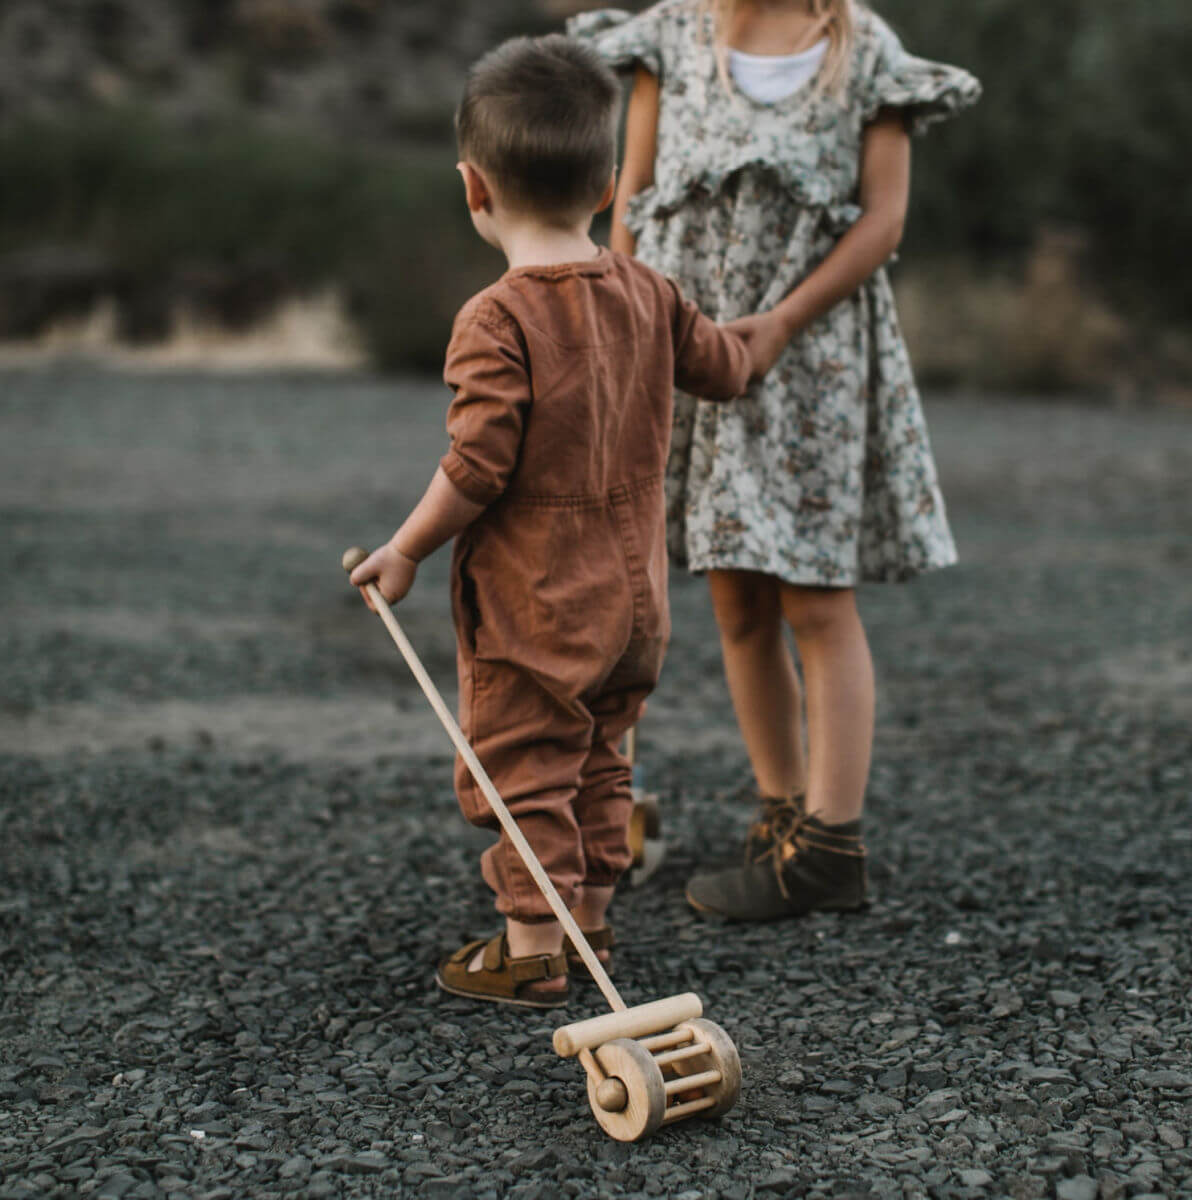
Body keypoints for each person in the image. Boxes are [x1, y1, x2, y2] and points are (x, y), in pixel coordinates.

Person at [350, 33, 754, 1006]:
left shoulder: (496, 318)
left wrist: (404, 550)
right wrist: (770, 324)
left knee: (524, 763)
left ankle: (535, 944)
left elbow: (478, 467)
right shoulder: (648, 290)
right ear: (610, 184)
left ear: (472, 189)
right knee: (602, 755)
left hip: (538, 597)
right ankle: (593, 923)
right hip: (634, 602)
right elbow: (729, 370)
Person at [569, 0, 980, 920]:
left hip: (809, 364)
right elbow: (632, 206)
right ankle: (783, 817)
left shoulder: (862, 51)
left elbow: (883, 220)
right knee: (735, 594)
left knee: (816, 596)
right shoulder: (670, 41)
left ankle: (833, 845)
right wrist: (632, 329)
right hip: (691, 354)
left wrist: (782, 325)